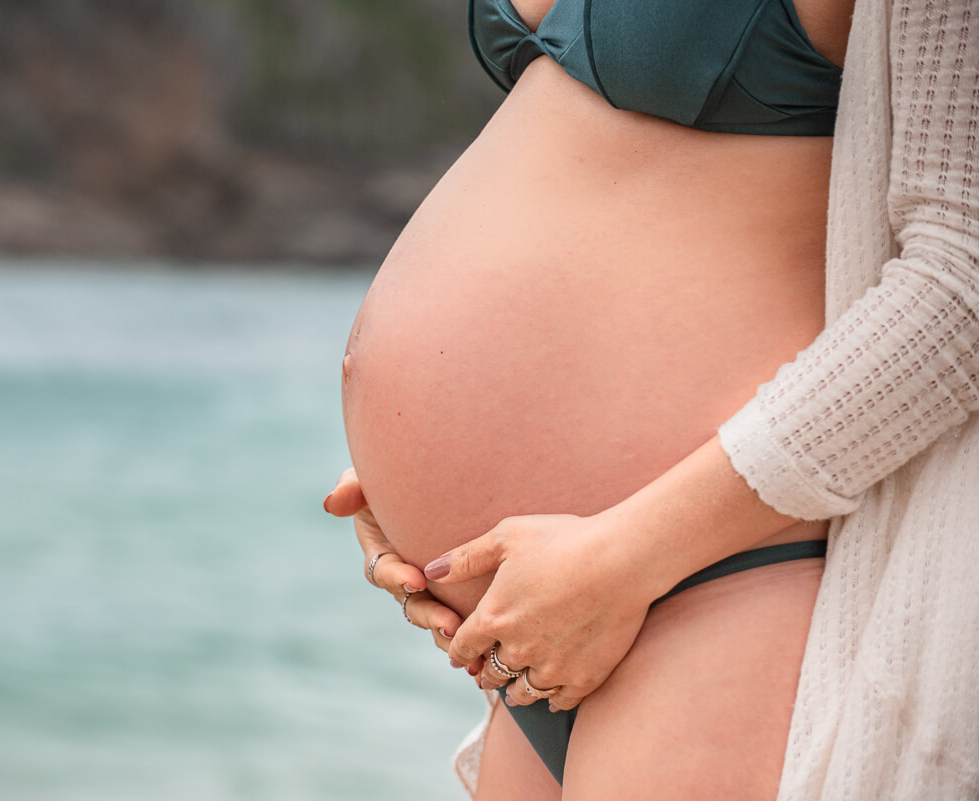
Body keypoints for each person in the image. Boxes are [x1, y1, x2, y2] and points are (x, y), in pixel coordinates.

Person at [326, 0, 979, 799]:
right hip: (556, 615)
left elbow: (962, 284)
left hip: (719, 580)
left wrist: (627, 556)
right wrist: (410, 477)